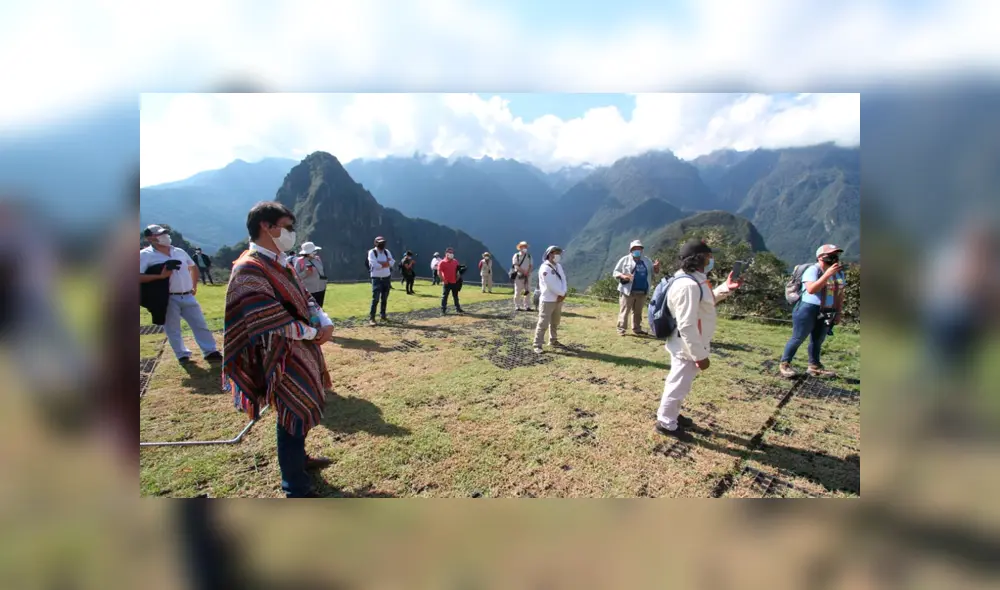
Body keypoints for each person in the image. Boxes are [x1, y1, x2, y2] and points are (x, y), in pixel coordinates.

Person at [222, 201, 335, 498]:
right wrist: (312, 332)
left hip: (300, 348)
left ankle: (299, 460)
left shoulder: (281, 260)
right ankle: (294, 486)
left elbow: (304, 294)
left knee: (304, 403)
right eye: (286, 227)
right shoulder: (249, 269)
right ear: (266, 227)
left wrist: (324, 320)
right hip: (277, 354)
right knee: (291, 412)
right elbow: (269, 321)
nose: (290, 233)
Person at [656, 239, 742, 437]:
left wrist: (727, 287)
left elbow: (705, 302)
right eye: (709, 256)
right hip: (687, 346)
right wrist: (699, 355)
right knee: (678, 384)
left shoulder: (694, 280)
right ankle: (666, 423)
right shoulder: (688, 285)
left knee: (679, 383)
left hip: (686, 343)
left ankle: (671, 414)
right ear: (699, 258)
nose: (711, 260)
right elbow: (686, 324)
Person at [139, 224, 222, 365]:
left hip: (187, 295)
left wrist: (193, 286)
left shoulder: (179, 251)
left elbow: (193, 267)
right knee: (172, 328)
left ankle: (210, 351)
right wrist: (160, 276)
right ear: (150, 238)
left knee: (200, 323)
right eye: (160, 234)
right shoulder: (145, 255)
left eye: (165, 233)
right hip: (168, 297)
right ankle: (182, 354)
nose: (165, 236)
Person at [779, 245, 846, 378]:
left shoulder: (839, 273)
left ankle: (814, 366)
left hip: (828, 309)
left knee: (818, 339)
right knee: (798, 337)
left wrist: (838, 312)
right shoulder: (813, 270)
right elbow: (811, 289)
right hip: (808, 308)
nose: (834, 257)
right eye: (831, 254)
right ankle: (785, 364)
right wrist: (827, 275)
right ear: (820, 256)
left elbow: (839, 294)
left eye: (836, 254)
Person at [612, 239, 662, 336]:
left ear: (642, 250)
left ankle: (637, 328)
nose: (637, 250)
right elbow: (615, 272)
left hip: (642, 290)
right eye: (635, 248)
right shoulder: (625, 259)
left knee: (638, 311)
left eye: (639, 248)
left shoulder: (647, 260)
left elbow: (654, 273)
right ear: (631, 250)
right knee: (625, 310)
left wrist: (656, 267)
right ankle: (621, 329)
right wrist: (623, 276)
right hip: (628, 290)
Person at [533, 246, 568, 354]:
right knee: (543, 322)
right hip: (548, 300)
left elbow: (563, 279)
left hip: (558, 299)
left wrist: (564, 293)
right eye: (556, 253)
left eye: (559, 253)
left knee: (555, 322)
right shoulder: (545, 268)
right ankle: (537, 344)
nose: (558, 255)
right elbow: (550, 285)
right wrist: (562, 293)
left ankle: (553, 340)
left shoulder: (558, 266)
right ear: (550, 254)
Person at [367, 236, 395, 326]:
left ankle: (383, 315)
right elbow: (375, 265)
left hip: (386, 278)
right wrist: (386, 263)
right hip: (376, 278)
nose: (382, 244)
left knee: (384, 298)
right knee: (375, 299)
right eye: (379, 242)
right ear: (375, 243)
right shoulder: (372, 252)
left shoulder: (387, 252)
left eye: (383, 242)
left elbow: (392, 262)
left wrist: (382, 264)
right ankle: (372, 318)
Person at [294, 241, 328, 307]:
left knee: (319, 309)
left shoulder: (317, 259)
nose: (315, 252)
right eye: (313, 251)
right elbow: (295, 277)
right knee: (311, 310)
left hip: (321, 289)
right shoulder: (299, 261)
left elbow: (321, 271)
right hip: (309, 291)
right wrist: (305, 273)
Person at [437, 247, 465, 315]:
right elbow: (439, 272)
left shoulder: (455, 261)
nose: (451, 254)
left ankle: (458, 308)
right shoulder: (442, 263)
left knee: (455, 296)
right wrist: (443, 280)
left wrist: (459, 275)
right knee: (445, 296)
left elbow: (458, 269)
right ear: (446, 253)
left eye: (452, 252)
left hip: (454, 281)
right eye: (450, 252)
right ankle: (443, 310)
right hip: (447, 282)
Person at [511, 241, 534, 311]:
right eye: (523, 246)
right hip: (519, 276)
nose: (525, 248)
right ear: (520, 247)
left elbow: (531, 266)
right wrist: (524, 272)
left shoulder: (529, 256)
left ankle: (527, 306)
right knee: (517, 291)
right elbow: (516, 265)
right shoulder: (516, 255)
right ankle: (517, 306)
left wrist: (528, 272)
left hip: (527, 276)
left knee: (527, 291)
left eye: (526, 246)